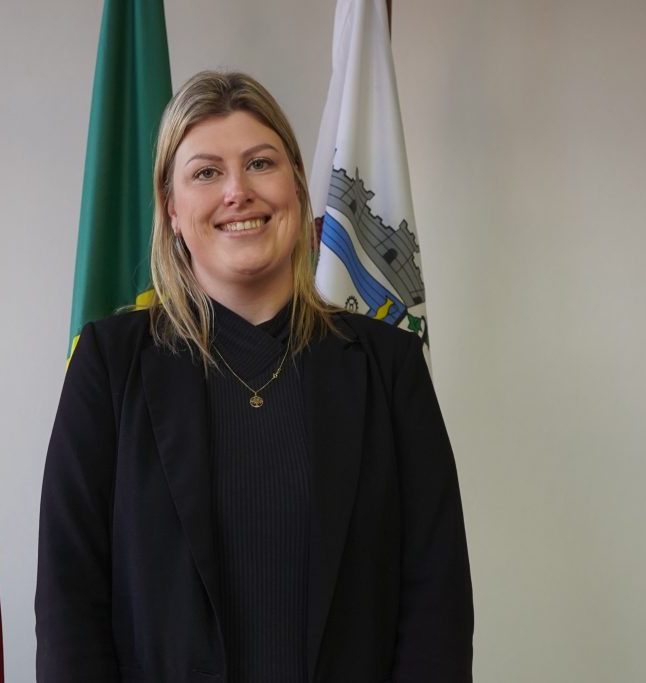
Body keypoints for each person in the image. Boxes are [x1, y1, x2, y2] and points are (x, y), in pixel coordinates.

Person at [36, 70, 473, 683]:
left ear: (296, 186)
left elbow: (436, 604)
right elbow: (69, 603)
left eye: (260, 163)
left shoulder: (389, 366)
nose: (237, 191)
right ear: (172, 209)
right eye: (206, 173)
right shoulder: (109, 365)